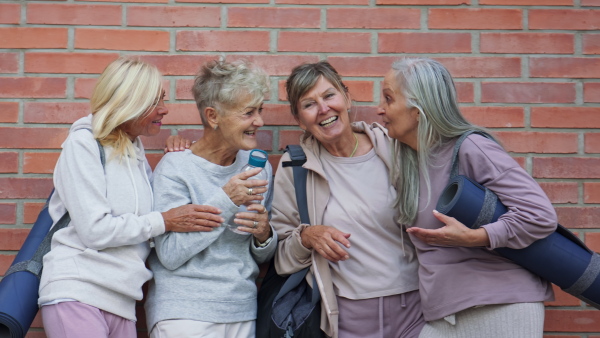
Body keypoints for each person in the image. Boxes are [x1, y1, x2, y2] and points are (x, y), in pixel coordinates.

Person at [38, 57, 224, 338]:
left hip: (123, 301)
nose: (165, 109)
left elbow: (140, 219)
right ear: (129, 102)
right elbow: (95, 231)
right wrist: (164, 221)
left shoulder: (133, 149)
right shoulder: (83, 146)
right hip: (79, 292)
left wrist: (179, 154)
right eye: (154, 102)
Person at [378, 57, 556, 338]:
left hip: (500, 307)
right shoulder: (413, 163)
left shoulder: (471, 148)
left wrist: (477, 237)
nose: (380, 109)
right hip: (443, 315)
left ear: (417, 109)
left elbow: (539, 215)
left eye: (388, 99)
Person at [270, 61, 424, 338]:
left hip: (416, 309)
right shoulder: (295, 167)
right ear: (298, 118)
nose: (323, 109)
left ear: (347, 97)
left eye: (329, 95)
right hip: (347, 317)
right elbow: (281, 259)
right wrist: (307, 236)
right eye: (309, 104)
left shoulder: (394, 148)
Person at [144, 58, 277, 338]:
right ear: (213, 116)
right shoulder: (176, 168)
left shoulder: (259, 167)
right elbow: (169, 254)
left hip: (241, 310)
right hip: (184, 314)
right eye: (248, 112)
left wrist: (264, 234)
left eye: (260, 110)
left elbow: (260, 253)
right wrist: (226, 200)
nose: (259, 121)